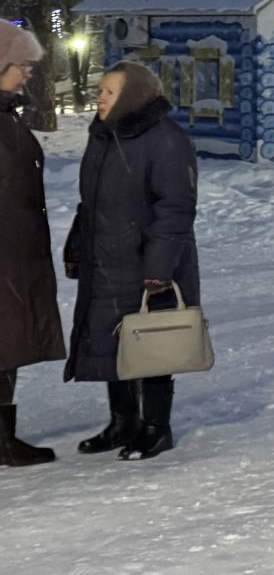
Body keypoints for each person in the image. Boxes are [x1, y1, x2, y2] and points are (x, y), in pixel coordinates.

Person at [64, 61, 198, 461]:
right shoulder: (104, 137)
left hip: (146, 262)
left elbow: (175, 209)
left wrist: (158, 267)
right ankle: (123, 422)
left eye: (108, 91)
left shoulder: (165, 139)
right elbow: (90, 204)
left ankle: (157, 428)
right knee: (110, 339)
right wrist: (76, 246)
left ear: (132, 95)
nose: (99, 97)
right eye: (100, 90)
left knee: (151, 342)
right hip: (105, 258)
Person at [0, 22, 64, 465]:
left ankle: (4, 438)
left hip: (13, 250)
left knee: (8, 344)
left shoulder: (7, 116)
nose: (26, 73)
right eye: (20, 64)